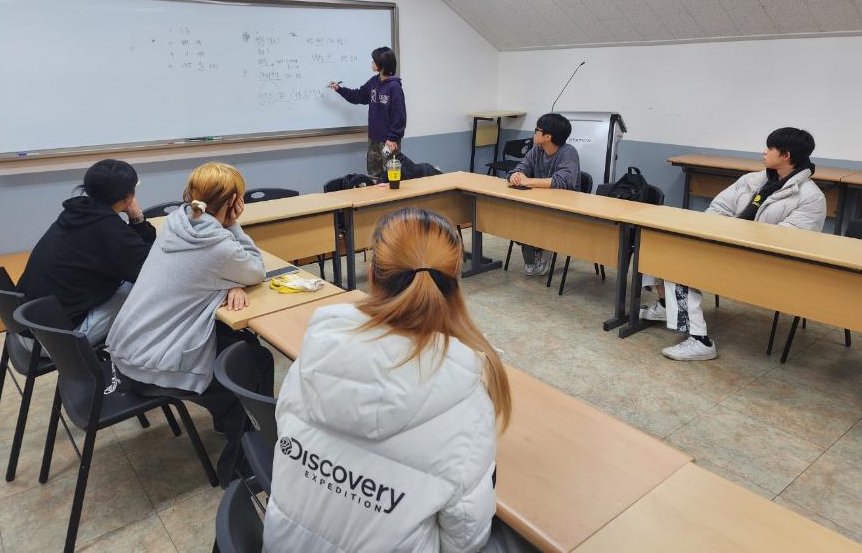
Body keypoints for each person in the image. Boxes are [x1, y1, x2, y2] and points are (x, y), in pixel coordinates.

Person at [263, 208, 536, 553]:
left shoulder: (310, 360)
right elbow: (465, 542)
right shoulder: (469, 404)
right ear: (455, 280)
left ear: (372, 274)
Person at [106, 162, 273, 486]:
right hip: (151, 365)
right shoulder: (219, 247)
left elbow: (202, 271)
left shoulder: (177, 221)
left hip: (127, 350)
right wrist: (234, 227)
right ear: (234, 202)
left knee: (242, 344)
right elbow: (256, 269)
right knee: (255, 363)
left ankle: (230, 425)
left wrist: (228, 282)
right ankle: (241, 469)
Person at [640, 128, 827, 362]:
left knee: (679, 266)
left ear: (786, 155)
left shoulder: (811, 197)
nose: (764, 152)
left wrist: (734, 237)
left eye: (770, 148)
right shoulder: (752, 181)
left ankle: (700, 342)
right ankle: (666, 305)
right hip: (729, 249)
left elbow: (788, 242)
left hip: (767, 265)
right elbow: (718, 209)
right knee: (660, 246)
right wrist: (721, 238)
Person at [17, 159, 154, 349]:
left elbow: (132, 252)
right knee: (141, 289)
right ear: (128, 196)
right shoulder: (108, 230)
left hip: (25, 326)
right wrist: (137, 217)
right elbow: (150, 268)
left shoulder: (75, 213)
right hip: (57, 342)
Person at [508, 112, 581, 276]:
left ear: (547, 137)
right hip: (537, 203)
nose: (534, 133)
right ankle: (532, 255)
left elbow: (561, 181)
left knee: (540, 221)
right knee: (516, 218)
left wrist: (528, 181)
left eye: (537, 130)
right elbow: (521, 167)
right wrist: (515, 175)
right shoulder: (537, 150)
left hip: (561, 208)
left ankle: (545, 250)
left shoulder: (569, 153)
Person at [329, 46, 406, 177]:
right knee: (374, 174)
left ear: (382, 64)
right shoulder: (374, 82)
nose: (372, 63)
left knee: (390, 175)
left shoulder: (394, 87)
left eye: (374, 61)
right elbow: (358, 96)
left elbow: (399, 115)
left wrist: (393, 137)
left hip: (388, 141)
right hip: (373, 139)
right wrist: (339, 89)